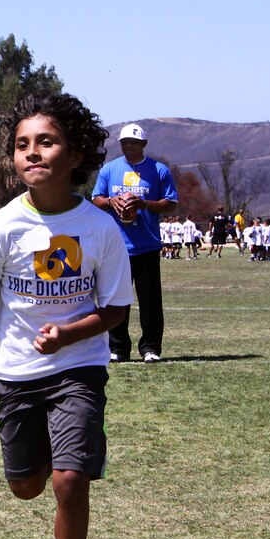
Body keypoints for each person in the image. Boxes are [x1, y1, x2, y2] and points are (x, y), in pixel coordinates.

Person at [0, 93, 132, 539]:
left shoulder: (101, 229)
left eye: (46, 141)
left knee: (68, 482)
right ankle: (43, 464)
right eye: (22, 145)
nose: (32, 153)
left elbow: (114, 310)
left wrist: (68, 335)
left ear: (76, 153)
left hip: (79, 367)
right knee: (27, 486)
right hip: (16, 372)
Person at [92, 123, 178, 363]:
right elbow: (96, 199)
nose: (129, 146)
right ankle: (118, 348)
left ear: (144, 144)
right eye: (125, 142)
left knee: (150, 301)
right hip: (116, 246)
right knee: (116, 299)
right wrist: (112, 201)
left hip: (147, 245)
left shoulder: (159, 170)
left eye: (134, 142)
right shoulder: (109, 170)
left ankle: (150, 348)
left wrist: (145, 204)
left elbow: (171, 203)